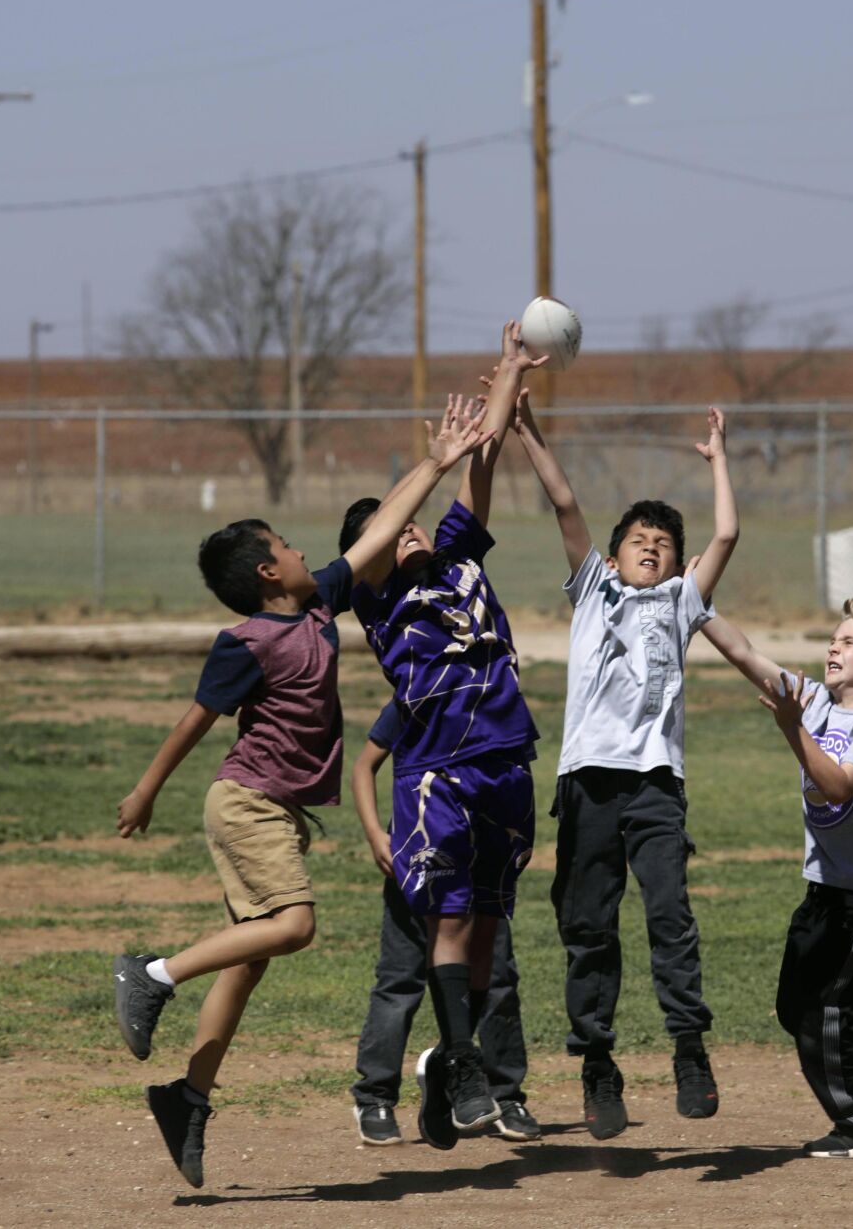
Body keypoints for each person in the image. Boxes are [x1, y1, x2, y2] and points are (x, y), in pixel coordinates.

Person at [109, 394, 488, 1189]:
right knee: (296, 924)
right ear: (263, 571)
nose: (299, 547)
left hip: (274, 808)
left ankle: (187, 1097)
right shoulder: (246, 641)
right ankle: (151, 974)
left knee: (246, 963)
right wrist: (147, 788)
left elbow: (382, 530)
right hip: (245, 803)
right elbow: (195, 719)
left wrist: (440, 461)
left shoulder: (317, 604)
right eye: (284, 544)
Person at [508, 395, 738, 1138]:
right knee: (588, 925)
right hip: (587, 783)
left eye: (665, 542)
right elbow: (565, 498)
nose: (652, 547)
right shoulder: (593, 589)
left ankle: (688, 1047)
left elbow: (727, 530)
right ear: (611, 557)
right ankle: (597, 1064)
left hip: (654, 785)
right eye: (640, 538)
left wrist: (718, 461)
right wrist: (529, 428)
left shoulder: (680, 601)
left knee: (670, 914)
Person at [340, 323, 546, 1147]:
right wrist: (408, 495)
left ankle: (461, 1068)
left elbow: (485, 457)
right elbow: (379, 539)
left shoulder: (460, 558)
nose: (412, 529)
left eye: (412, 522)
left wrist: (507, 371)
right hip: (436, 774)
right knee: (448, 928)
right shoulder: (380, 598)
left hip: (506, 764)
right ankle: (460, 1064)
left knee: (490, 930)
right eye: (394, 528)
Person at [702, 600, 853, 1160]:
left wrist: (792, 730)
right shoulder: (813, 700)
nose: (833, 647)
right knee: (796, 1009)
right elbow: (743, 652)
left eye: (848, 642)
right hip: (825, 889)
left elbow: (837, 786)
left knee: (825, 1015)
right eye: (833, 640)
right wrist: (696, 607)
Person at [347, 699, 538, 1147]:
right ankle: (375, 1095)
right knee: (400, 978)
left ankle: (501, 1093)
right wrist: (377, 833)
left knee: (497, 977)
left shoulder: (499, 700)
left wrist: (518, 838)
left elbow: (518, 775)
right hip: (419, 857)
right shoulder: (419, 695)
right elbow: (364, 765)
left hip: (482, 862)